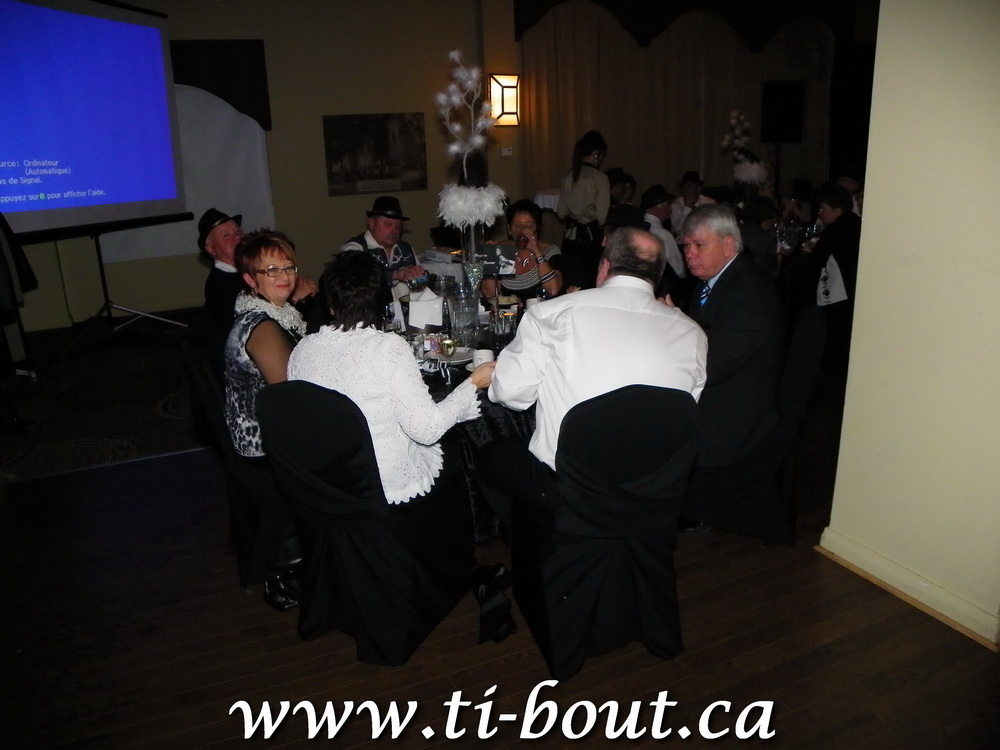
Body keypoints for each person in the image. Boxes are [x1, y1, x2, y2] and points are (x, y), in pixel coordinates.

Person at [479, 226, 708, 528]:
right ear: (658, 275)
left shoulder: (551, 314)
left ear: (604, 267)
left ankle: (539, 541)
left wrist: (494, 375)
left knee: (489, 457)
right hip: (652, 486)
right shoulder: (692, 333)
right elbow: (680, 412)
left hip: (574, 487)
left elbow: (513, 394)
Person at [287, 251, 495, 505]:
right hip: (382, 487)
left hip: (324, 483)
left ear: (330, 305)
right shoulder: (387, 347)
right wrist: (472, 383)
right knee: (463, 454)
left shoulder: (302, 349)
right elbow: (427, 429)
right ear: (382, 302)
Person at [676, 205, 784, 534]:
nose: (690, 254)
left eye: (699, 245)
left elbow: (711, 367)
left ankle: (692, 505)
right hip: (724, 382)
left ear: (728, 245)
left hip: (736, 403)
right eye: (686, 245)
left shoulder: (747, 295)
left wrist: (673, 327)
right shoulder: (714, 279)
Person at [224, 228, 308, 611]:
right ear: (250, 279)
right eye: (271, 270)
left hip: (258, 430)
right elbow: (290, 397)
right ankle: (289, 572)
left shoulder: (272, 312)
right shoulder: (263, 328)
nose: (284, 276)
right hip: (263, 445)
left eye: (288, 267)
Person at [199, 208, 316, 366]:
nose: (237, 236)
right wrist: (295, 297)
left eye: (238, 231)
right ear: (211, 249)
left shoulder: (254, 271)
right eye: (226, 235)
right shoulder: (218, 286)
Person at [556, 130, 610, 290]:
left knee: (571, 281)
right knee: (590, 282)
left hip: (570, 239)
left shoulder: (568, 177)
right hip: (591, 240)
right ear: (596, 154)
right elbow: (602, 216)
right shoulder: (600, 178)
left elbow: (561, 213)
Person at [481, 199, 563, 301]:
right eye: (517, 225)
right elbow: (490, 293)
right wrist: (490, 258)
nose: (523, 231)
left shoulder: (550, 251)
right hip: (509, 310)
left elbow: (552, 290)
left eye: (529, 226)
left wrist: (537, 252)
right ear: (509, 229)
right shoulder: (503, 252)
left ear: (537, 228)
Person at [339, 195, 427, 289]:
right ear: (372, 223)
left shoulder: (406, 250)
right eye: (388, 224)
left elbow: (421, 285)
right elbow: (356, 279)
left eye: (398, 226)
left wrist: (418, 276)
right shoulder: (354, 249)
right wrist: (395, 274)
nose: (394, 231)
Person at [640, 184, 685, 281]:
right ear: (652, 208)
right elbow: (679, 270)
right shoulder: (663, 234)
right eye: (667, 205)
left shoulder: (638, 229)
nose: (670, 208)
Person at [670, 171, 716, 236]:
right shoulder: (675, 205)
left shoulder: (708, 203)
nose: (686, 189)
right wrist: (687, 207)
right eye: (684, 186)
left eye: (690, 186)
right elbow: (678, 229)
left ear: (699, 189)